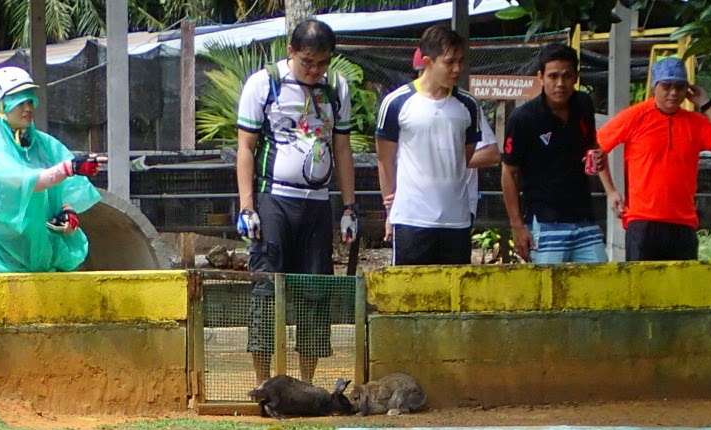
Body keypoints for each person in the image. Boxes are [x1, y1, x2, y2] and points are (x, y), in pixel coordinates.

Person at [236, 18, 358, 384]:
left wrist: (349, 207)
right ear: (291, 52)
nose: (315, 70)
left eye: (322, 63)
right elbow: (245, 147)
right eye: (308, 62)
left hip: (317, 204)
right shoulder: (265, 83)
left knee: (316, 292)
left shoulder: (336, 87)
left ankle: (306, 383)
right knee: (266, 290)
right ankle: (263, 382)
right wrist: (247, 206)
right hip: (274, 201)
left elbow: (342, 148)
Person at [375, 25, 500, 266]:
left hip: (457, 220)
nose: (457, 69)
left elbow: (463, 156)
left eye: (461, 61)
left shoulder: (468, 105)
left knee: (453, 297)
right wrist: (390, 207)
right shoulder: (397, 102)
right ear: (428, 62)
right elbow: (385, 159)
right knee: (409, 293)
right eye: (449, 62)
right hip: (412, 219)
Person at [596, 56, 711, 262]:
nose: (673, 92)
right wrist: (610, 191)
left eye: (680, 87)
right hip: (642, 221)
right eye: (667, 86)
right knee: (643, 289)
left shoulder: (695, 122)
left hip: (683, 222)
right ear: (655, 87)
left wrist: (706, 104)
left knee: (680, 291)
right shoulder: (635, 116)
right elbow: (597, 147)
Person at [0, 66, 103, 274]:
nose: (28, 108)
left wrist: (66, 210)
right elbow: (27, 182)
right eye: (19, 102)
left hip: (40, 258)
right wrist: (69, 167)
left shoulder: (43, 144)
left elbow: (67, 188)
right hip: (0, 262)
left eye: (30, 101)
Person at [500, 43, 621, 264]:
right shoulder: (523, 119)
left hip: (584, 217)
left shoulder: (583, 104)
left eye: (566, 76)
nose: (560, 84)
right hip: (545, 222)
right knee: (548, 292)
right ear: (541, 77)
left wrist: (610, 189)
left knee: (600, 286)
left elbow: (593, 147)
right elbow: (509, 172)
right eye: (553, 76)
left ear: (575, 77)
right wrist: (517, 226)